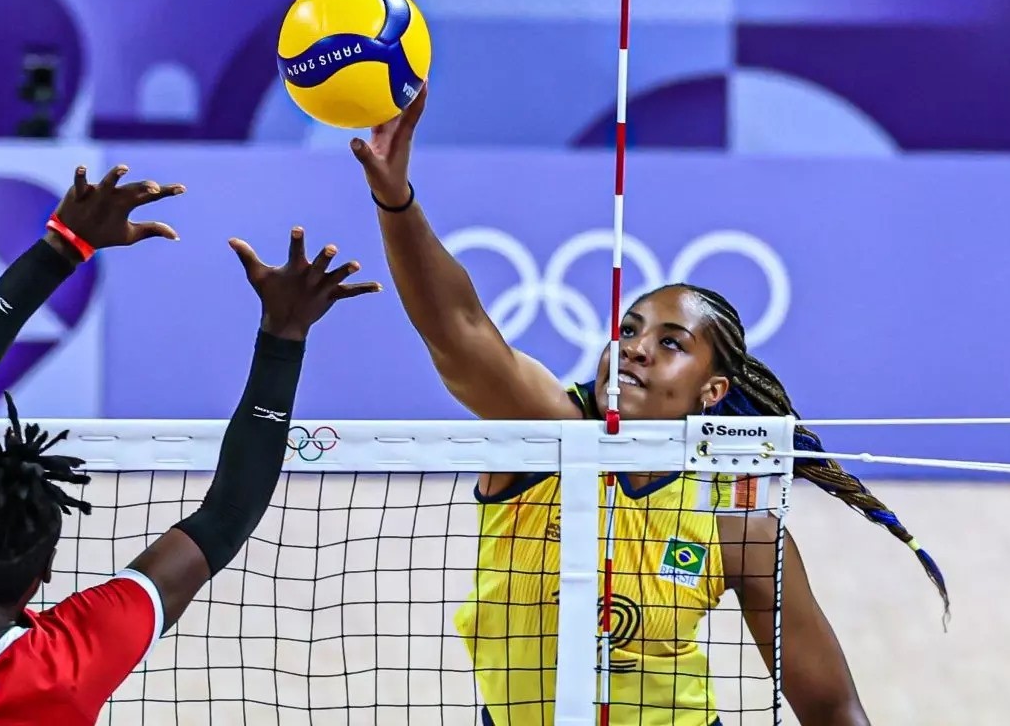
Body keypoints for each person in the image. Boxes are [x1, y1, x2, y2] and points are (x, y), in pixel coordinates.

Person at [349, 88, 949, 726]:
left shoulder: (735, 516)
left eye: (670, 343)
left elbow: (832, 708)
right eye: (629, 331)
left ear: (711, 392)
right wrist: (396, 197)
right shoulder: (549, 436)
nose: (635, 350)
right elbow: (458, 329)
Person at [0, 163, 381, 725]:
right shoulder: (71, 663)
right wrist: (285, 337)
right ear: (45, 571)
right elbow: (226, 515)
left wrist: (62, 246)